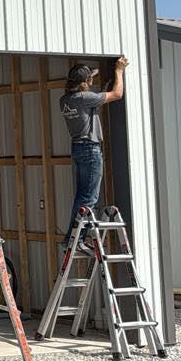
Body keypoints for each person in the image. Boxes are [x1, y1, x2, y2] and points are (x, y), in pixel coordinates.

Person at [59, 57, 128, 247]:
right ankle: (77, 239)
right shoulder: (85, 98)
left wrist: (99, 93)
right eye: (90, 80)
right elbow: (117, 94)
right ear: (83, 84)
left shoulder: (65, 100)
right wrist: (119, 71)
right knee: (89, 197)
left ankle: (70, 238)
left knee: (81, 196)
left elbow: (90, 104)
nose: (92, 82)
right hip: (90, 149)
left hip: (78, 149)